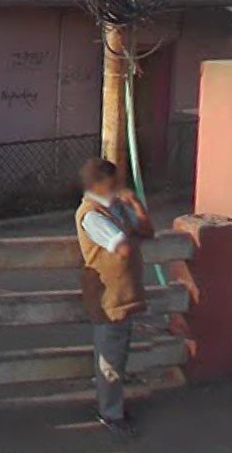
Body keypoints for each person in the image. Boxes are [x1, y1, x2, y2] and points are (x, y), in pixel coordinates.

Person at [75, 157, 155, 437]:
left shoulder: (115, 208)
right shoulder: (91, 214)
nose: (118, 187)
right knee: (109, 357)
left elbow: (147, 230)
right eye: (113, 183)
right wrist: (129, 229)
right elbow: (122, 247)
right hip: (107, 296)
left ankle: (115, 407)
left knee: (119, 354)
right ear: (98, 185)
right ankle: (109, 412)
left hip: (125, 295)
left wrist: (134, 204)